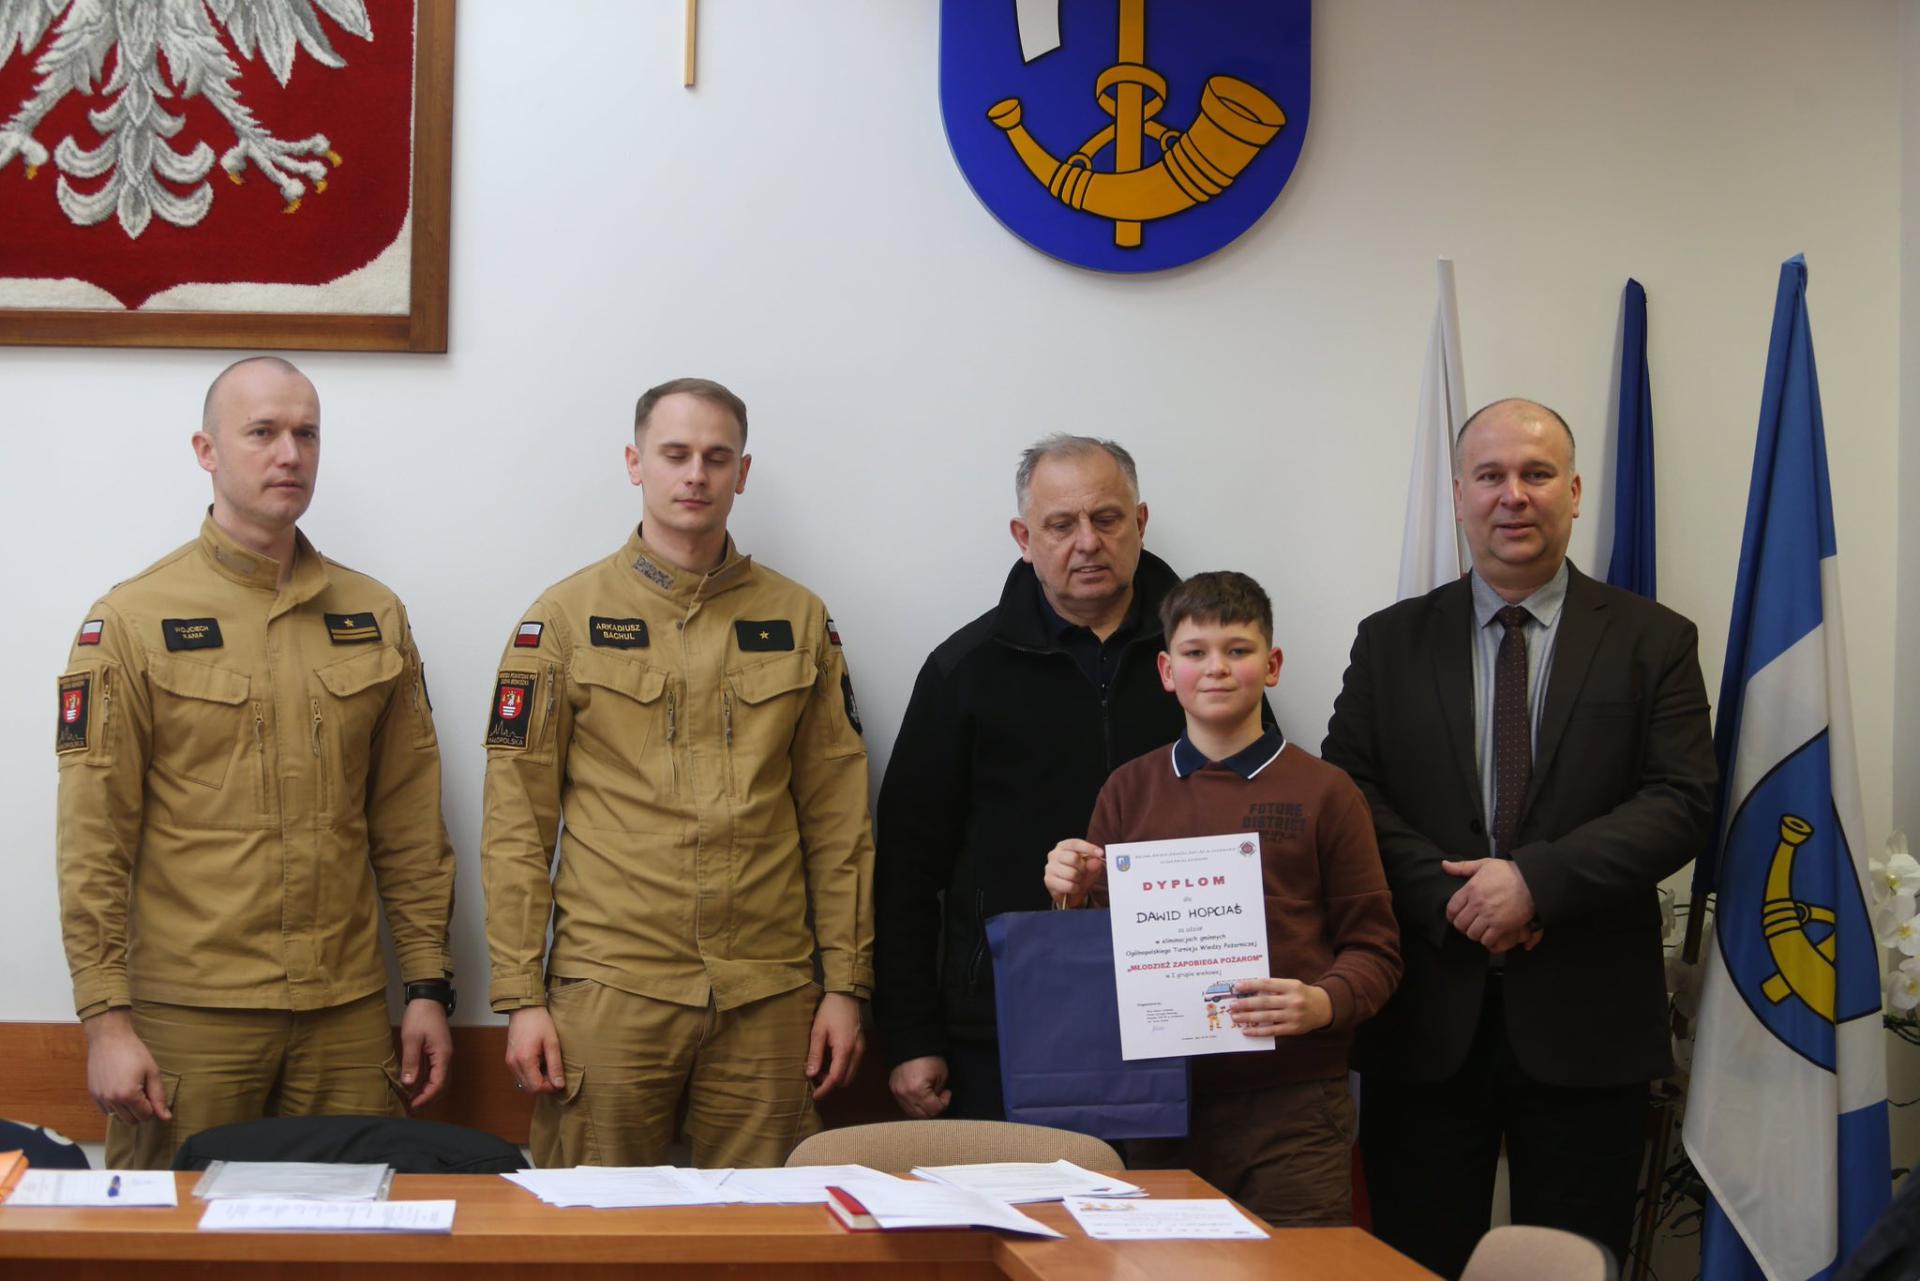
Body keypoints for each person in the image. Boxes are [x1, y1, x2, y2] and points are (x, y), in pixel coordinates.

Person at [1320, 398, 1716, 1277]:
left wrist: (1535, 882)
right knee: (1413, 1264)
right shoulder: (1389, 640)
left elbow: (1683, 800)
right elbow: (1348, 794)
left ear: (1573, 492)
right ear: (1459, 494)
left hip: (1589, 1024)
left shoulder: (1654, 639)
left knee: (1573, 1262)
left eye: (1537, 474)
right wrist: (1455, 896)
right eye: (1491, 475)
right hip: (1425, 1019)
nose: (1514, 495)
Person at [56, 356, 457, 1170]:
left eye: (307, 434)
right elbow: (93, 839)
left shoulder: (374, 613)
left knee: (356, 1227)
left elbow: (410, 825)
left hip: (345, 1013)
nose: (289, 454)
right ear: (206, 450)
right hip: (191, 1017)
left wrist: (426, 987)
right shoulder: (132, 620)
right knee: (170, 1234)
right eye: (263, 432)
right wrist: (105, 1019)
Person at [482, 377, 872, 1168]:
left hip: (768, 991)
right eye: (675, 453)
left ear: (742, 472)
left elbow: (840, 819)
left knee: (769, 1226)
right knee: (592, 1224)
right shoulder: (562, 619)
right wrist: (520, 995)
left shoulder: (799, 619)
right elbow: (515, 821)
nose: (696, 474)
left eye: (717, 457)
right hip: (612, 985)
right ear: (636, 463)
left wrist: (845, 984)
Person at [1043, 570, 1401, 1226]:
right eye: (1195, 651)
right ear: (1166, 670)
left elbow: (1376, 949)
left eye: (1238, 650)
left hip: (1294, 1106)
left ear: (1273, 665)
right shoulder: (1127, 791)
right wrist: (1070, 895)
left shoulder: (1327, 791)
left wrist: (1322, 1002)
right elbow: (1094, 960)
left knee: (1298, 1269)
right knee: (1165, 1269)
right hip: (1156, 1102)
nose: (1216, 668)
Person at [873, 435, 1189, 1121]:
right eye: (1060, 524)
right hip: (1002, 1021)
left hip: (1179, 1012)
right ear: (1024, 538)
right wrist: (911, 1034)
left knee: (1162, 1197)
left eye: (1107, 518)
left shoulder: (1204, 662)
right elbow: (905, 868)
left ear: (1139, 523)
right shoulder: (964, 671)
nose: (1087, 542)